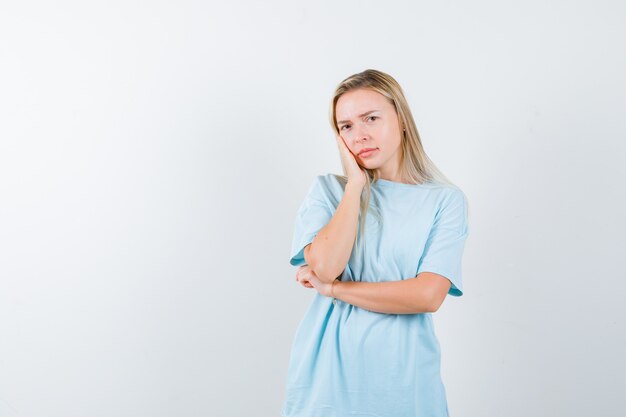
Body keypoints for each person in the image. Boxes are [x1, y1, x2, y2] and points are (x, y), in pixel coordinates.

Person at [282, 69, 470, 417]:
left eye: (371, 118)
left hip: (404, 383)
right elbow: (325, 266)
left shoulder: (445, 201)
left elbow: (427, 296)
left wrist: (334, 290)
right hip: (325, 383)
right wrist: (355, 184)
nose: (360, 135)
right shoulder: (328, 191)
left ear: (401, 120)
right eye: (346, 126)